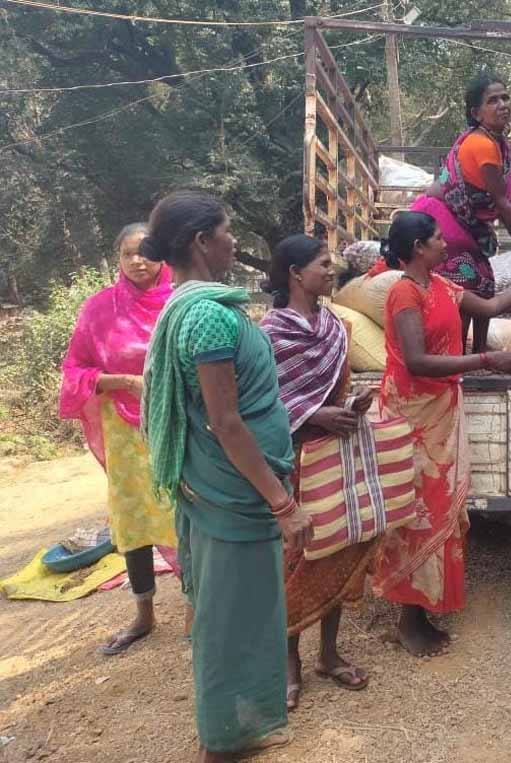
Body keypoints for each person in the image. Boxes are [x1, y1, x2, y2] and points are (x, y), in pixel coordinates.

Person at [140, 191, 312, 762]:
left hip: (220, 486)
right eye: (227, 230)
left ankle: (238, 729)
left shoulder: (187, 306)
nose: (234, 241)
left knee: (230, 612)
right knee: (232, 622)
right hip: (236, 493)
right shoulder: (210, 315)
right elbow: (226, 422)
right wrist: (283, 505)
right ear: (201, 241)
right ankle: (222, 743)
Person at [370, 211, 511, 657]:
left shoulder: (441, 286)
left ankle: (420, 611)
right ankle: (408, 619)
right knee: (417, 513)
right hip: (412, 419)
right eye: (439, 238)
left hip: (439, 411)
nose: (446, 244)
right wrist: (485, 361)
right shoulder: (404, 292)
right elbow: (417, 361)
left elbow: (491, 307)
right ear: (418, 247)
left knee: (439, 511)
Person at [259, 234, 379, 710]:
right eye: (323, 264)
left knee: (337, 548)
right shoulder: (271, 333)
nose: (332, 271)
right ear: (295, 273)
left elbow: (335, 389)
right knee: (295, 557)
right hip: (292, 458)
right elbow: (263, 401)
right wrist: (313, 414)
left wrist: (349, 407)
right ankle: (289, 661)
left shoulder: (333, 325)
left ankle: (328, 654)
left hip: (334, 452)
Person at [59, 223, 177, 656]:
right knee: (133, 519)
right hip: (125, 430)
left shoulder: (180, 302)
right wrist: (125, 381)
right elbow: (74, 371)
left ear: (163, 255)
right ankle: (144, 614)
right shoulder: (99, 309)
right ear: (118, 259)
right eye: (128, 254)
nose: (138, 261)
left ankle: (195, 606)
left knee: (184, 510)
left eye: (146, 252)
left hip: (176, 423)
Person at [411, 72, 511, 354]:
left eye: (505, 98)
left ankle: (478, 351)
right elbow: (501, 203)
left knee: (485, 282)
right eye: (493, 100)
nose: (502, 105)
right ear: (476, 113)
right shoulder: (483, 145)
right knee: (465, 285)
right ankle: (459, 355)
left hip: (462, 220)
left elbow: (498, 204)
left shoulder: (496, 142)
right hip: (441, 220)